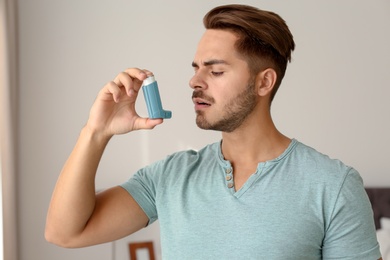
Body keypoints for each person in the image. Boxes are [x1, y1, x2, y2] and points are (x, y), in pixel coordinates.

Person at [45, 4, 382, 259]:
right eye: (195, 69)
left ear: (264, 81)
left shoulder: (332, 186)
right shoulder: (171, 176)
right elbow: (65, 233)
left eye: (216, 70)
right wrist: (96, 131)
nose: (195, 82)